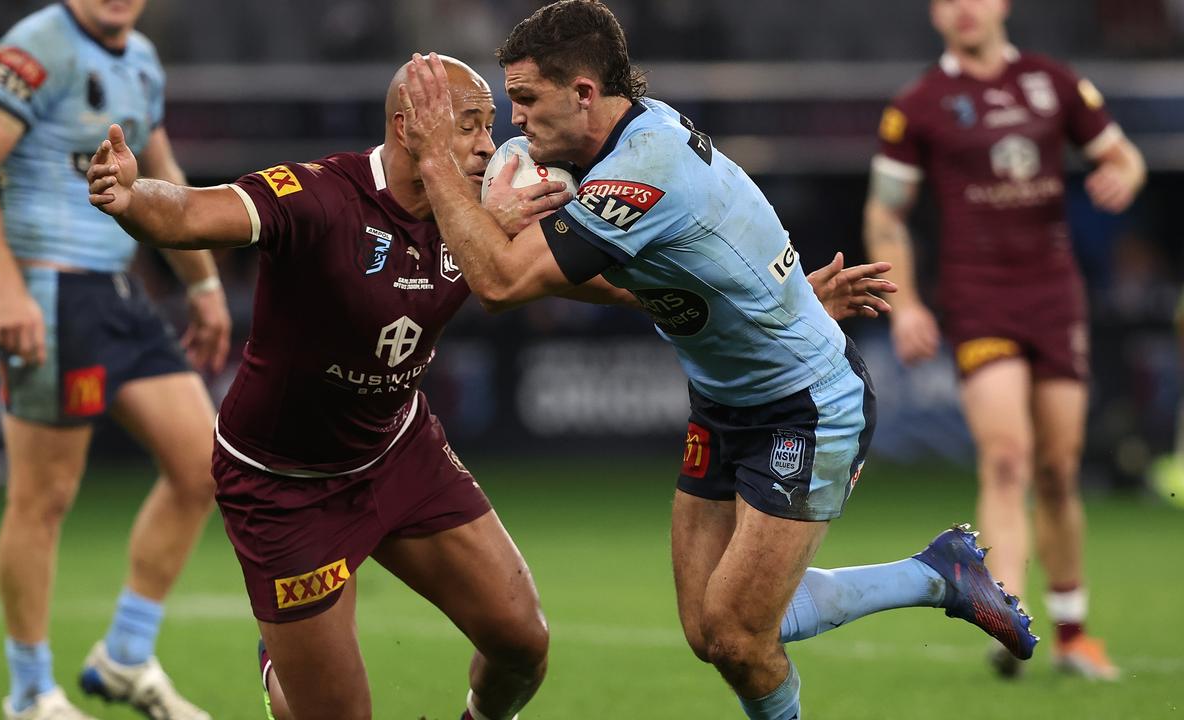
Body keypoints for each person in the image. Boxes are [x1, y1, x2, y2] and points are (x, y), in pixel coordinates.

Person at [86, 49, 906, 719]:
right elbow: (193, 212)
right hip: (284, 484)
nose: (490, 143)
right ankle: (284, 666)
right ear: (409, 127)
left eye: (491, 122)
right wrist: (132, 199)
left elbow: (612, 282)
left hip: (398, 454)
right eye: (470, 124)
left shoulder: (479, 211)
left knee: (523, 643)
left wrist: (774, 302)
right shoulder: (320, 197)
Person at [394, 1, 1037, 717]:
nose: (515, 121)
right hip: (724, 403)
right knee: (709, 627)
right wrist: (782, 291)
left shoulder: (644, 169)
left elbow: (501, 283)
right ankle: (938, 574)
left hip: (807, 403)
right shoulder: (628, 143)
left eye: (525, 99)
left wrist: (431, 158)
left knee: (738, 636)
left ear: (583, 92)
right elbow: (656, 268)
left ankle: (937, 578)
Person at [0, 2, 224, 718]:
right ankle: (30, 691)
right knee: (45, 498)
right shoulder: (37, 44)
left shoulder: (144, 60)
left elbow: (161, 171)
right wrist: (6, 286)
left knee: (204, 466)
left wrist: (205, 283)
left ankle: (125, 656)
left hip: (120, 291)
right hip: (49, 289)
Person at [863, 0, 1145, 680]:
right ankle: (1007, 611)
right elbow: (886, 211)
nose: (964, 8)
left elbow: (1123, 156)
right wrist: (907, 307)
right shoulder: (919, 104)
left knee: (1056, 468)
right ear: (935, 14)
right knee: (1009, 455)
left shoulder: (1052, 81)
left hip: (1053, 296)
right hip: (978, 297)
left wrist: (1123, 176)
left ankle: (1073, 632)